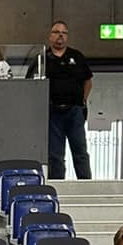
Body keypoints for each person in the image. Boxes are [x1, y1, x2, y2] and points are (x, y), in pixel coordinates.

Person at [26, 21, 92, 179]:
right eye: (56, 32)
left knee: (80, 152)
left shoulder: (77, 56)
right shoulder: (42, 59)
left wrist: (82, 101)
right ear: (50, 36)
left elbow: (88, 82)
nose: (60, 35)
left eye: (64, 33)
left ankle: (86, 185)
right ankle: (58, 186)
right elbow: (31, 85)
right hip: (52, 112)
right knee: (55, 155)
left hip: (74, 111)